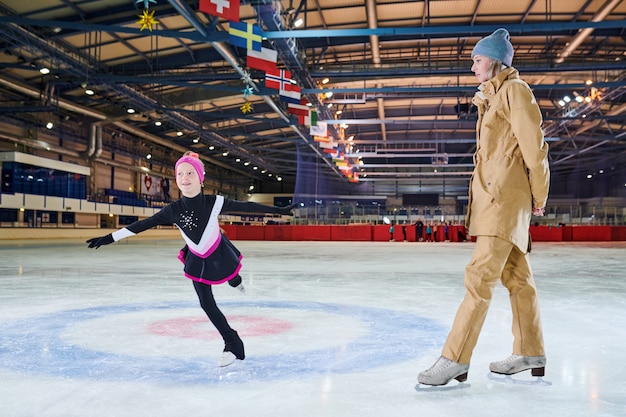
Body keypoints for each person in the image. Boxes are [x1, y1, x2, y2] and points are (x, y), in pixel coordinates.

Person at [417, 28, 550, 386]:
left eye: (477, 59)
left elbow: (535, 149)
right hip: (498, 199)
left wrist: (539, 196)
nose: (472, 66)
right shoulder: (491, 98)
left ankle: (454, 359)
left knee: (478, 279)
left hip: (506, 201)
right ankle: (530, 351)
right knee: (518, 279)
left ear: (494, 61)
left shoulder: (514, 92)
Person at [86, 151, 296, 367]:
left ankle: (235, 281)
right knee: (206, 303)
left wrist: (278, 210)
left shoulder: (213, 202)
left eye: (190, 173)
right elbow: (141, 225)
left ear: (200, 178)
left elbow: (248, 207)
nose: (184, 178)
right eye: (180, 174)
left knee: (230, 272)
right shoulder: (173, 210)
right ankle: (233, 343)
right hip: (198, 257)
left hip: (217, 251)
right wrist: (110, 237)